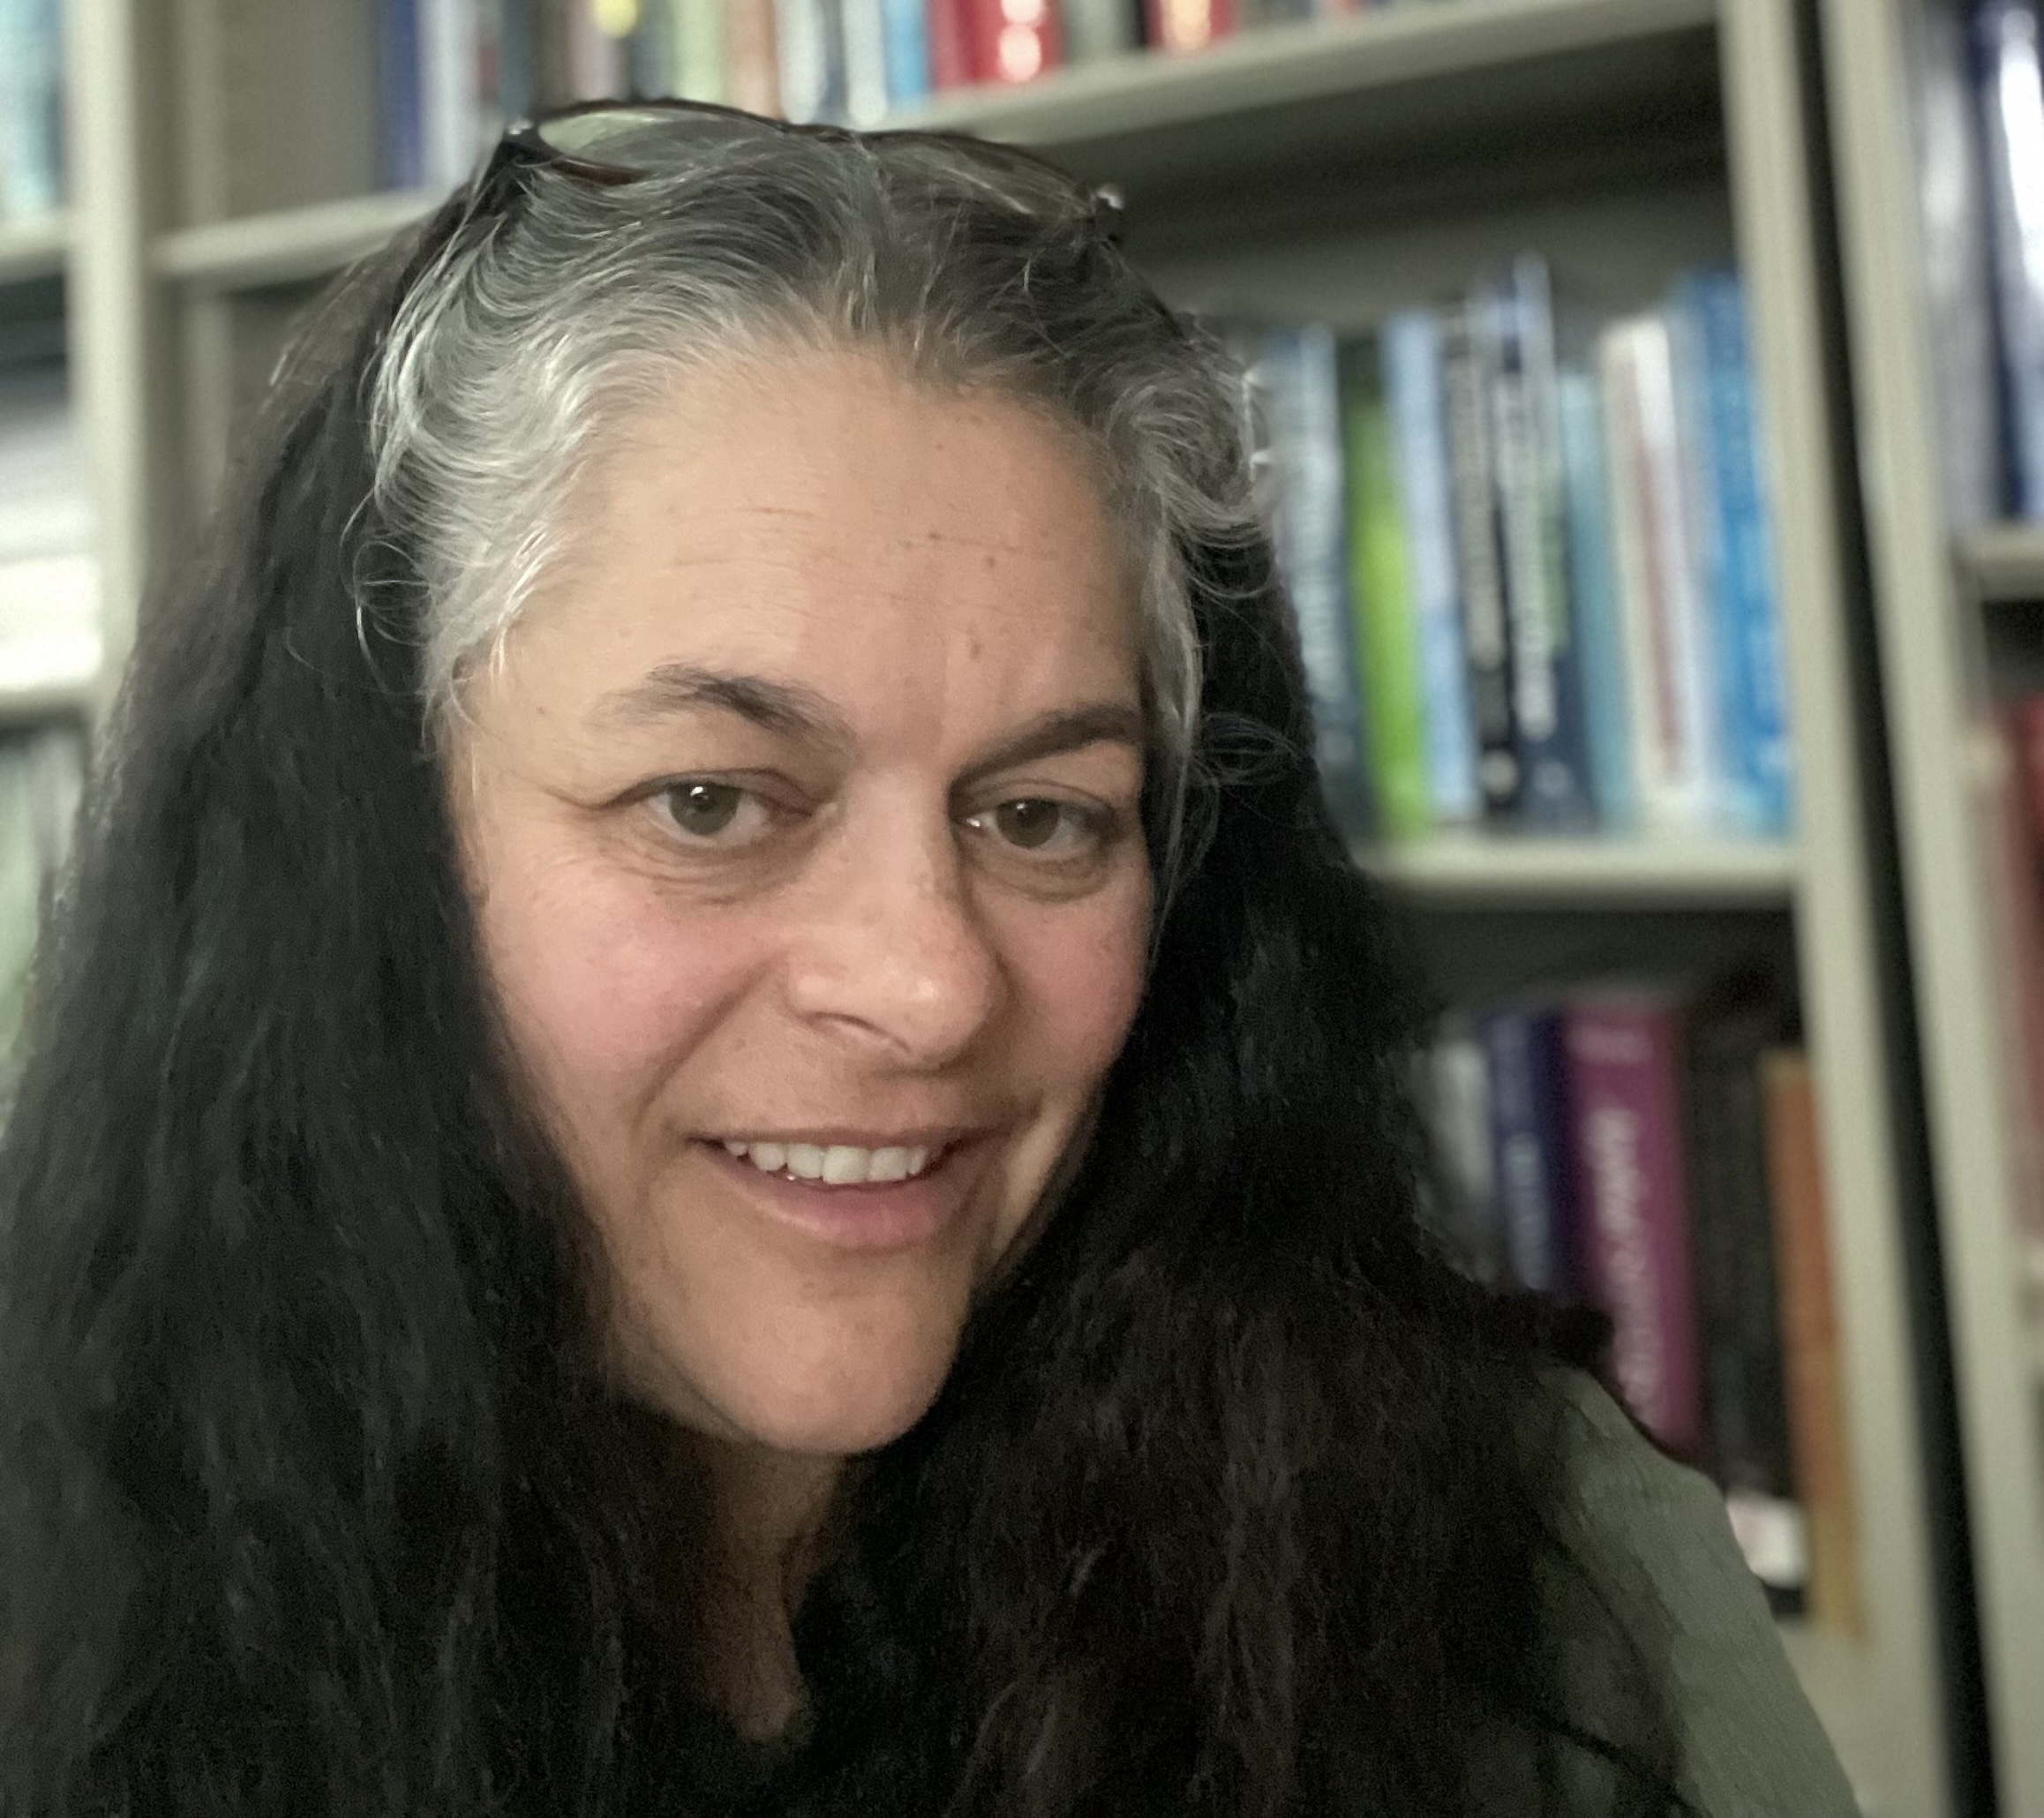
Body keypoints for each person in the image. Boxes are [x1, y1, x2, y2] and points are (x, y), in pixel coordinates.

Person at [0, 105, 1852, 1818]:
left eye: (1044, 817)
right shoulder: (64, 1589)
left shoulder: (1536, 1572)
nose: (930, 987)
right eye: (714, 801)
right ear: (366, 868)